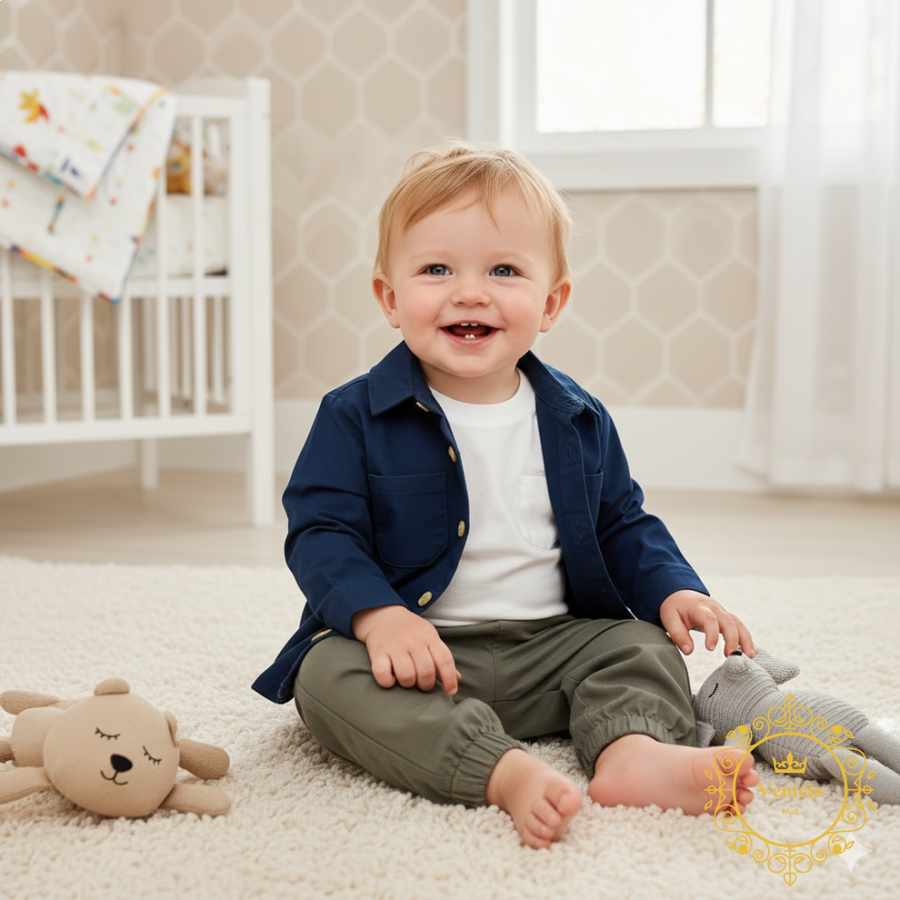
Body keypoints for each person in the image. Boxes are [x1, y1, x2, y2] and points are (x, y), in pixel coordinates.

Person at [253, 142, 759, 849]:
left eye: (503, 270)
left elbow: (621, 521)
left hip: (555, 646)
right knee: (323, 674)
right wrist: (378, 618)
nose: (470, 293)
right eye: (437, 269)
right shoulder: (353, 415)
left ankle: (631, 753)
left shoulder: (577, 417)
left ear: (551, 303)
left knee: (641, 646)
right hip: (420, 656)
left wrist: (676, 588)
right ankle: (498, 769)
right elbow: (321, 531)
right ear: (390, 298)